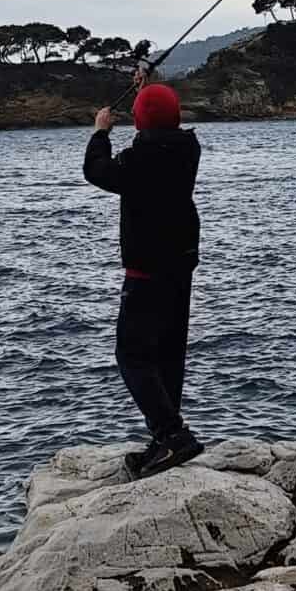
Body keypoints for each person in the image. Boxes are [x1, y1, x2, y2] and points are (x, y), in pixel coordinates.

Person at [84, 78, 205, 478]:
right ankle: (164, 444)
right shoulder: (189, 148)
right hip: (181, 265)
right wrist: (145, 89)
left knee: (133, 355)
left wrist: (101, 131)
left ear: (139, 122)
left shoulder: (138, 160)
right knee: (169, 355)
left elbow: (96, 170)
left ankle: (171, 433)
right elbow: (156, 122)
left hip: (146, 270)